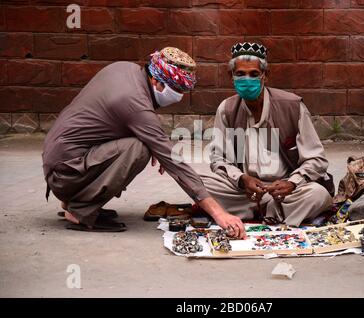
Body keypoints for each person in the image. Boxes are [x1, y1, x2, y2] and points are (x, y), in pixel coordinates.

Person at [42, 47, 246, 237]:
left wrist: (151, 139)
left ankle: (74, 201)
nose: (180, 96)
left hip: (61, 161)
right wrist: (219, 214)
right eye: (177, 90)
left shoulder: (124, 69)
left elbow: (113, 119)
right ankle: (80, 211)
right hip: (65, 174)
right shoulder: (134, 103)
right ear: (157, 82)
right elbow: (175, 162)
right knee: (139, 149)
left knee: (143, 142)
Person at [201, 42, 334, 226]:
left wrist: (293, 183)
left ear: (265, 76)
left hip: (286, 190)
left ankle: (260, 209)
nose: (247, 79)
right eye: (240, 74)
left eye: (254, 74)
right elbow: (218, 158)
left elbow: (317, 159)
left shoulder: (292, 106)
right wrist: (242, 179)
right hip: (246, 190)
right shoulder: (227, 109)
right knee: (199, 185)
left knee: (318, 195)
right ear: (231, 76)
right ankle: (271, 210)